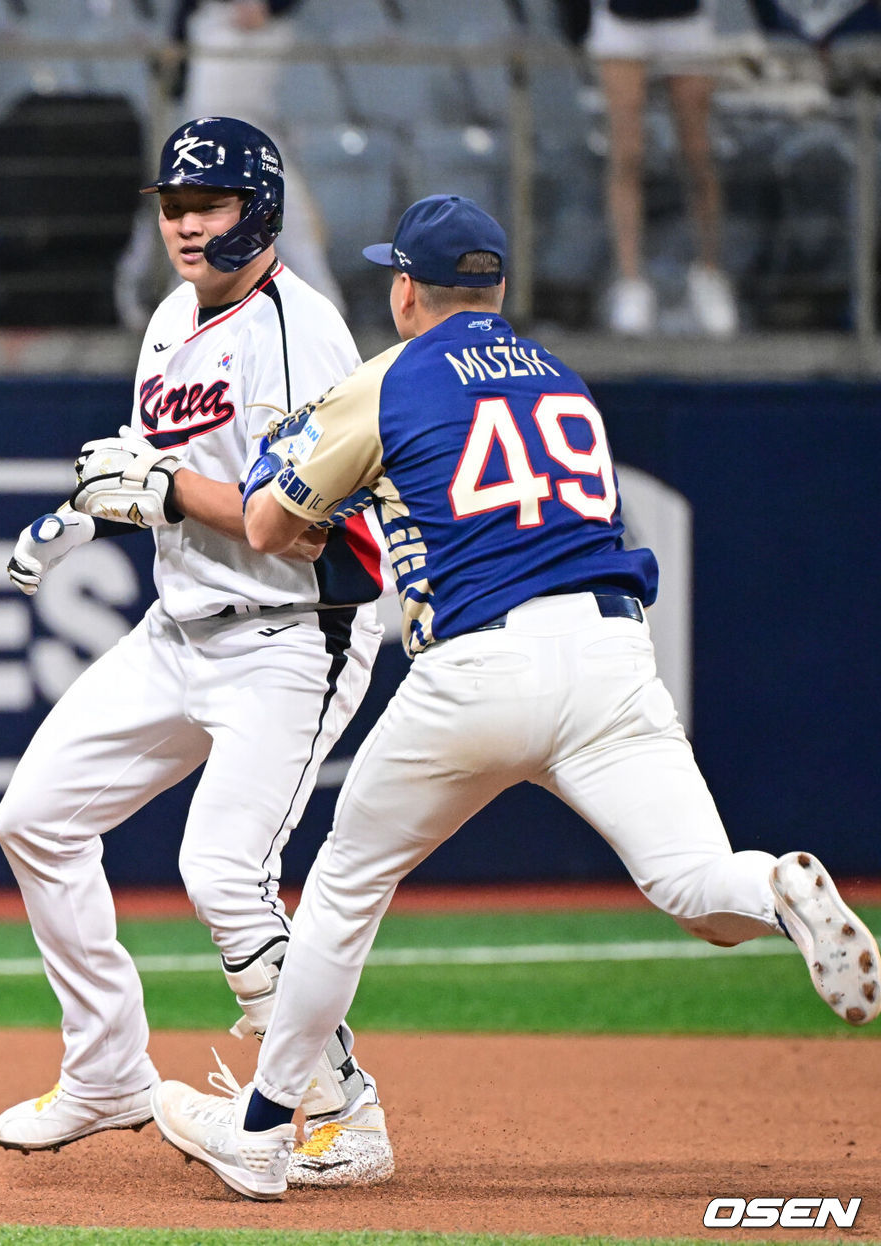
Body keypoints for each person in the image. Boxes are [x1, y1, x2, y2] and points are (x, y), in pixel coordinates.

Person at [146, 193, 881, 1200]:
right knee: (696, 888)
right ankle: (776, 890)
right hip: (613, 657)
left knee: (342, 892)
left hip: (481, 667)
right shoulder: (563, 379)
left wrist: (241, 469)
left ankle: (267, 1132)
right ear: (497, 290)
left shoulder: (391, 374)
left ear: (405, 288)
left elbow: (272, 524)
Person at [0, 115, 395, 1190]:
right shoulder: (172, 314)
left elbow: (314, 524)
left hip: (295, 632)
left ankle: (341, 1113)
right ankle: (108, 1072)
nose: (183, 225)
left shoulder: (302, 332)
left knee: (222, 871)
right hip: (179, 626)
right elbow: (151, 467)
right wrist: (89, 511)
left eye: (204, 205)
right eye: (171, 206)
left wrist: (161, 491)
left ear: (256, 208)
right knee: (35, 819)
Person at [116, 0, 344, 329]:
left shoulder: (270, 23)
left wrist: (270, 7)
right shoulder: (200, 18)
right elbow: (178, 47)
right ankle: (169, 327)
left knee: (293, 224)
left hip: (255, 129)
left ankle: (331, 322)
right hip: (204, 135)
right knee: (189, 230)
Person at [586, 0, 739, 337]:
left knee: (698, 155)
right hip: (622, 20)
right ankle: (630, 282)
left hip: (686, 19)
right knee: (627, 155)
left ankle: (709, 274)